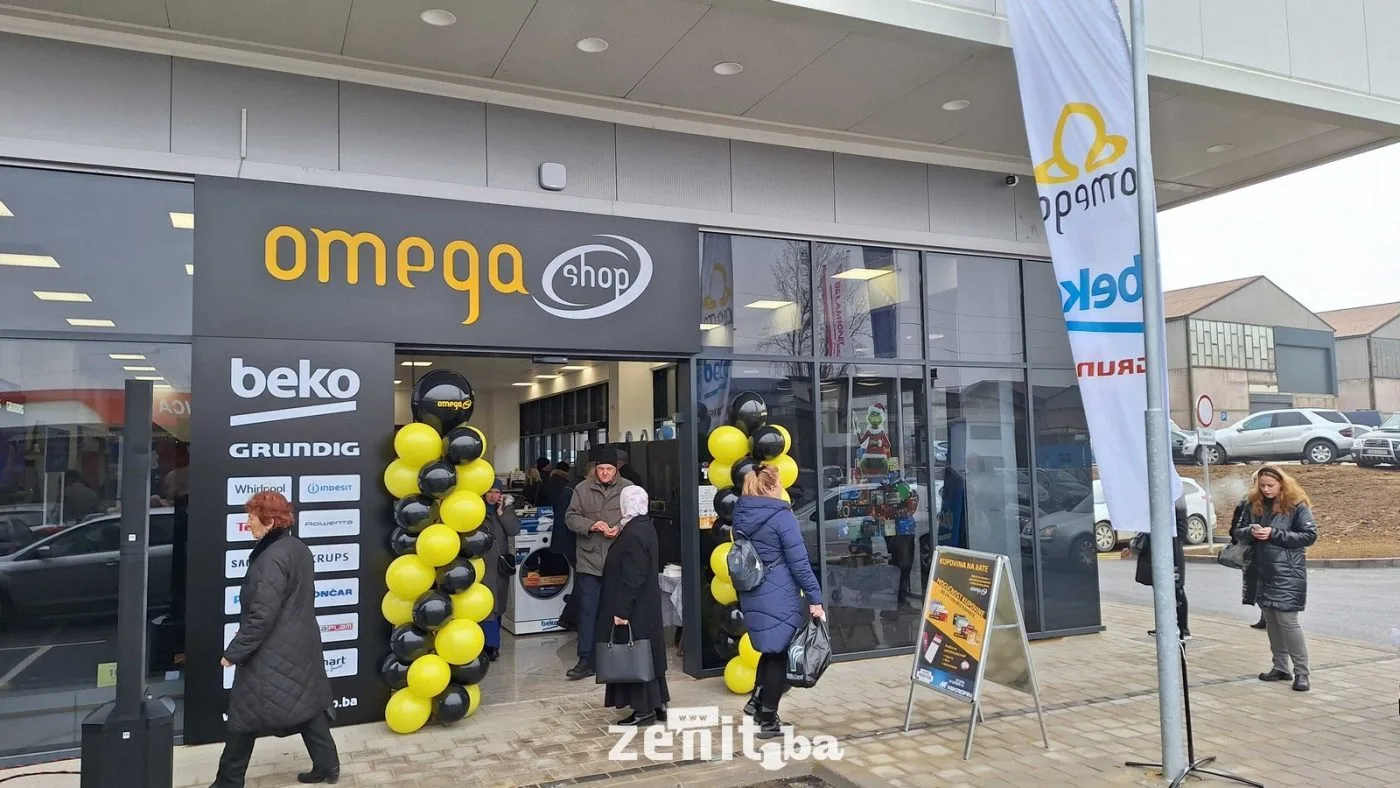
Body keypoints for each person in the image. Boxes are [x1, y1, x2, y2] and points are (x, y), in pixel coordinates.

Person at [214, 491, 338, 787]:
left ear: (269, 522)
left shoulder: (270, 558)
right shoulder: (297, 547)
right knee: (306, 703)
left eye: (251, 518)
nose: (247, 523)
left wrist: (233, 653)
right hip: (300, 644)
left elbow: (262, 615)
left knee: (243, 717)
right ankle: (327, 765)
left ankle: (228, 782)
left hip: (273, 650)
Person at [732, 464, 824, 739]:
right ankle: (768, 720)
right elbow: (800, 562)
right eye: (780, 483)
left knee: (770, 650)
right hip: (778, 593)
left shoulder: (742, 513)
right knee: (780, 655)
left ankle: (757, 703)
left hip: (754, 591)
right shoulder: (781, 516)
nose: (783, 487)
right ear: (771, 486)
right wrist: (815, 598)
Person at [1229, 465, 1317, 692]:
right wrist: (1250, 531)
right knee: (1271, 620)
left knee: (1288, 621)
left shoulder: (1296, 504)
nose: (1266, 489)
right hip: (1260, 570)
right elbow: (1237, 531)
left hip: (1287, 572)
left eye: (1270, 485)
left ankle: (1302, 673)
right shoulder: (1252, 504)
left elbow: (1309, 535)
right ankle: (1280, 667)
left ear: (1282, 484)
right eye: (1262, 485)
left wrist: (1274, 533)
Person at [596, 486, 669, 725]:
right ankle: (657, 704)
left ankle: (643, 710)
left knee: (635, 654)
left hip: (634, 607)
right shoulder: (644, 526)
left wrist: (622, 610)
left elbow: (632, 575)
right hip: (645, 605)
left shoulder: (633, 533)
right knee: (648, 654)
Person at [563, 448, 634, 680]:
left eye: (609, 469)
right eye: (601, 468)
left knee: (618, 610)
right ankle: (586, 659)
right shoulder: (582, 489)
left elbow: (637, 516)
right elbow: (570, 518)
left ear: (617, 469)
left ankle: (617, 658)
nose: (604, 473)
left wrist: (620, 528)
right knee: (588, 611)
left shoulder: (628, 488)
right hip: (589, 560)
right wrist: (592, 525)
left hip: (617, 559)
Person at [1126, 496, 1190, 640]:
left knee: (1177, 590)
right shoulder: (1153, 498)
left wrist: (1168, 540)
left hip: (1171, 552)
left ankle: (1183, 627)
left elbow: (1182, 530)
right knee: (1160, 590)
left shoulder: (1176, 498)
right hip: (1154, 552)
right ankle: (1164, 624)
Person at [481, 480, 522, 662]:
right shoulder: (476, 510)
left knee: (498, 606)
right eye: (489, 491)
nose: (493, 496)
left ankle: (492, 644)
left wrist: (502, 513)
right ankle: (490, 645)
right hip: (482, 565)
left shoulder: (505, 509)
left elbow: (514, 530)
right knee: (487, 605)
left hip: (499, 565)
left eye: (497, 492)